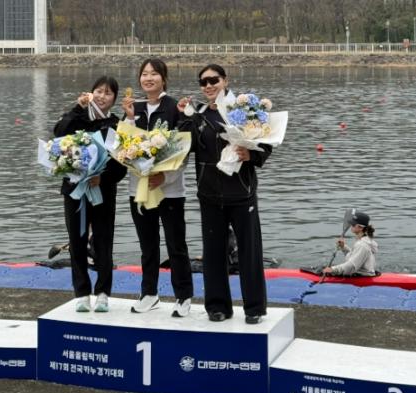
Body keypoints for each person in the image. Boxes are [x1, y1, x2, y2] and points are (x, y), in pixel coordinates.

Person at [177, 64, 272, 324]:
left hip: (242, 194)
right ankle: (218, 307)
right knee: (213, 254)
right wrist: (184, 116)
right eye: (203, 82)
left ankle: (254, 308)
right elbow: (185, 146)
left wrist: (251, 155)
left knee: (249, 253)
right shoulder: (198, 115)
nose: (208, 86)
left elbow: (266, 144)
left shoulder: (244, 110)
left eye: (213, 80)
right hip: (209, 195)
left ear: (225, 80)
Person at [121, 58, 193, 317]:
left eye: (154, 74)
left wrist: (164, 179)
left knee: (176, 244)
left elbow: (183, 151)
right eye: (144, 74)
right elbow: (123, 147)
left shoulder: (174, 107)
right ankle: (149, 293)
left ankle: (183, 296)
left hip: (169, 190)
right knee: (147, 245)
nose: (148, 78)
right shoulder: (134, 107)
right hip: (139, 189)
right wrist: (130, 118)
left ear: (164, 78)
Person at [53, 76, 127, 313]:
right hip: (75, 190)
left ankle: (103, 293)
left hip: (102, 190)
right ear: (91, 93)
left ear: (114, 99)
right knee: (77, 241)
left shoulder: (117, 125)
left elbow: (123, 163)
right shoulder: (77, 117)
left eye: (108, 93)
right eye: (99, 91)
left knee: (103, 241)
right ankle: (82, 293)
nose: (102, 96)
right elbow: (58, 135)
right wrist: (78, 108)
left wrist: (102, 178)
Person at [322, 211, 378, 276]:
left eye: (353, 224)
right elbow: (353, 258)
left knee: (323, 270)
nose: (351, 226)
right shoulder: (362, 241)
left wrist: (332, 270)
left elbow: (351, 266)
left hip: (362, 277)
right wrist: (343, 247)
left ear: (361, 227)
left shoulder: (362, 245)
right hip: (360, 273)